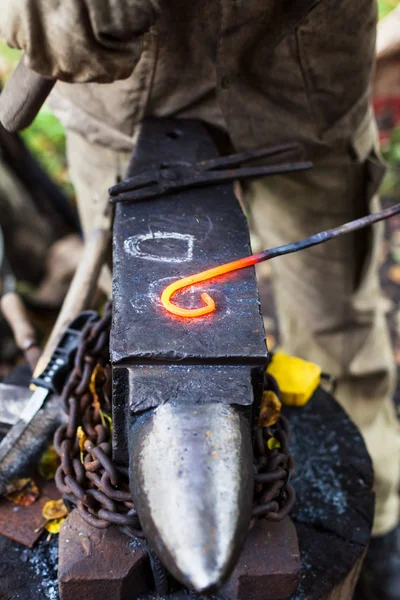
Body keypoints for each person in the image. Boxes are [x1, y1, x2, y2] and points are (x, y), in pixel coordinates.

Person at [1, 2, 399, 598]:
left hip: (301, 83)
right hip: (123, 102)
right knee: (122, 329)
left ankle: (384, 524)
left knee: (337, 319)